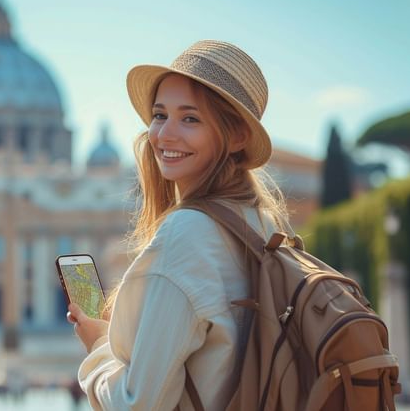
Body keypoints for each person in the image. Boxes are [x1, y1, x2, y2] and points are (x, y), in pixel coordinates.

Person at [66, 40, 288, 410]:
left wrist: (98, 349)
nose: (164, 134)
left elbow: (138, 404)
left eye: (190, 118)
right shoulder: (267, 226)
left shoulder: (185, 236)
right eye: (159, 115)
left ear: (237, 136)